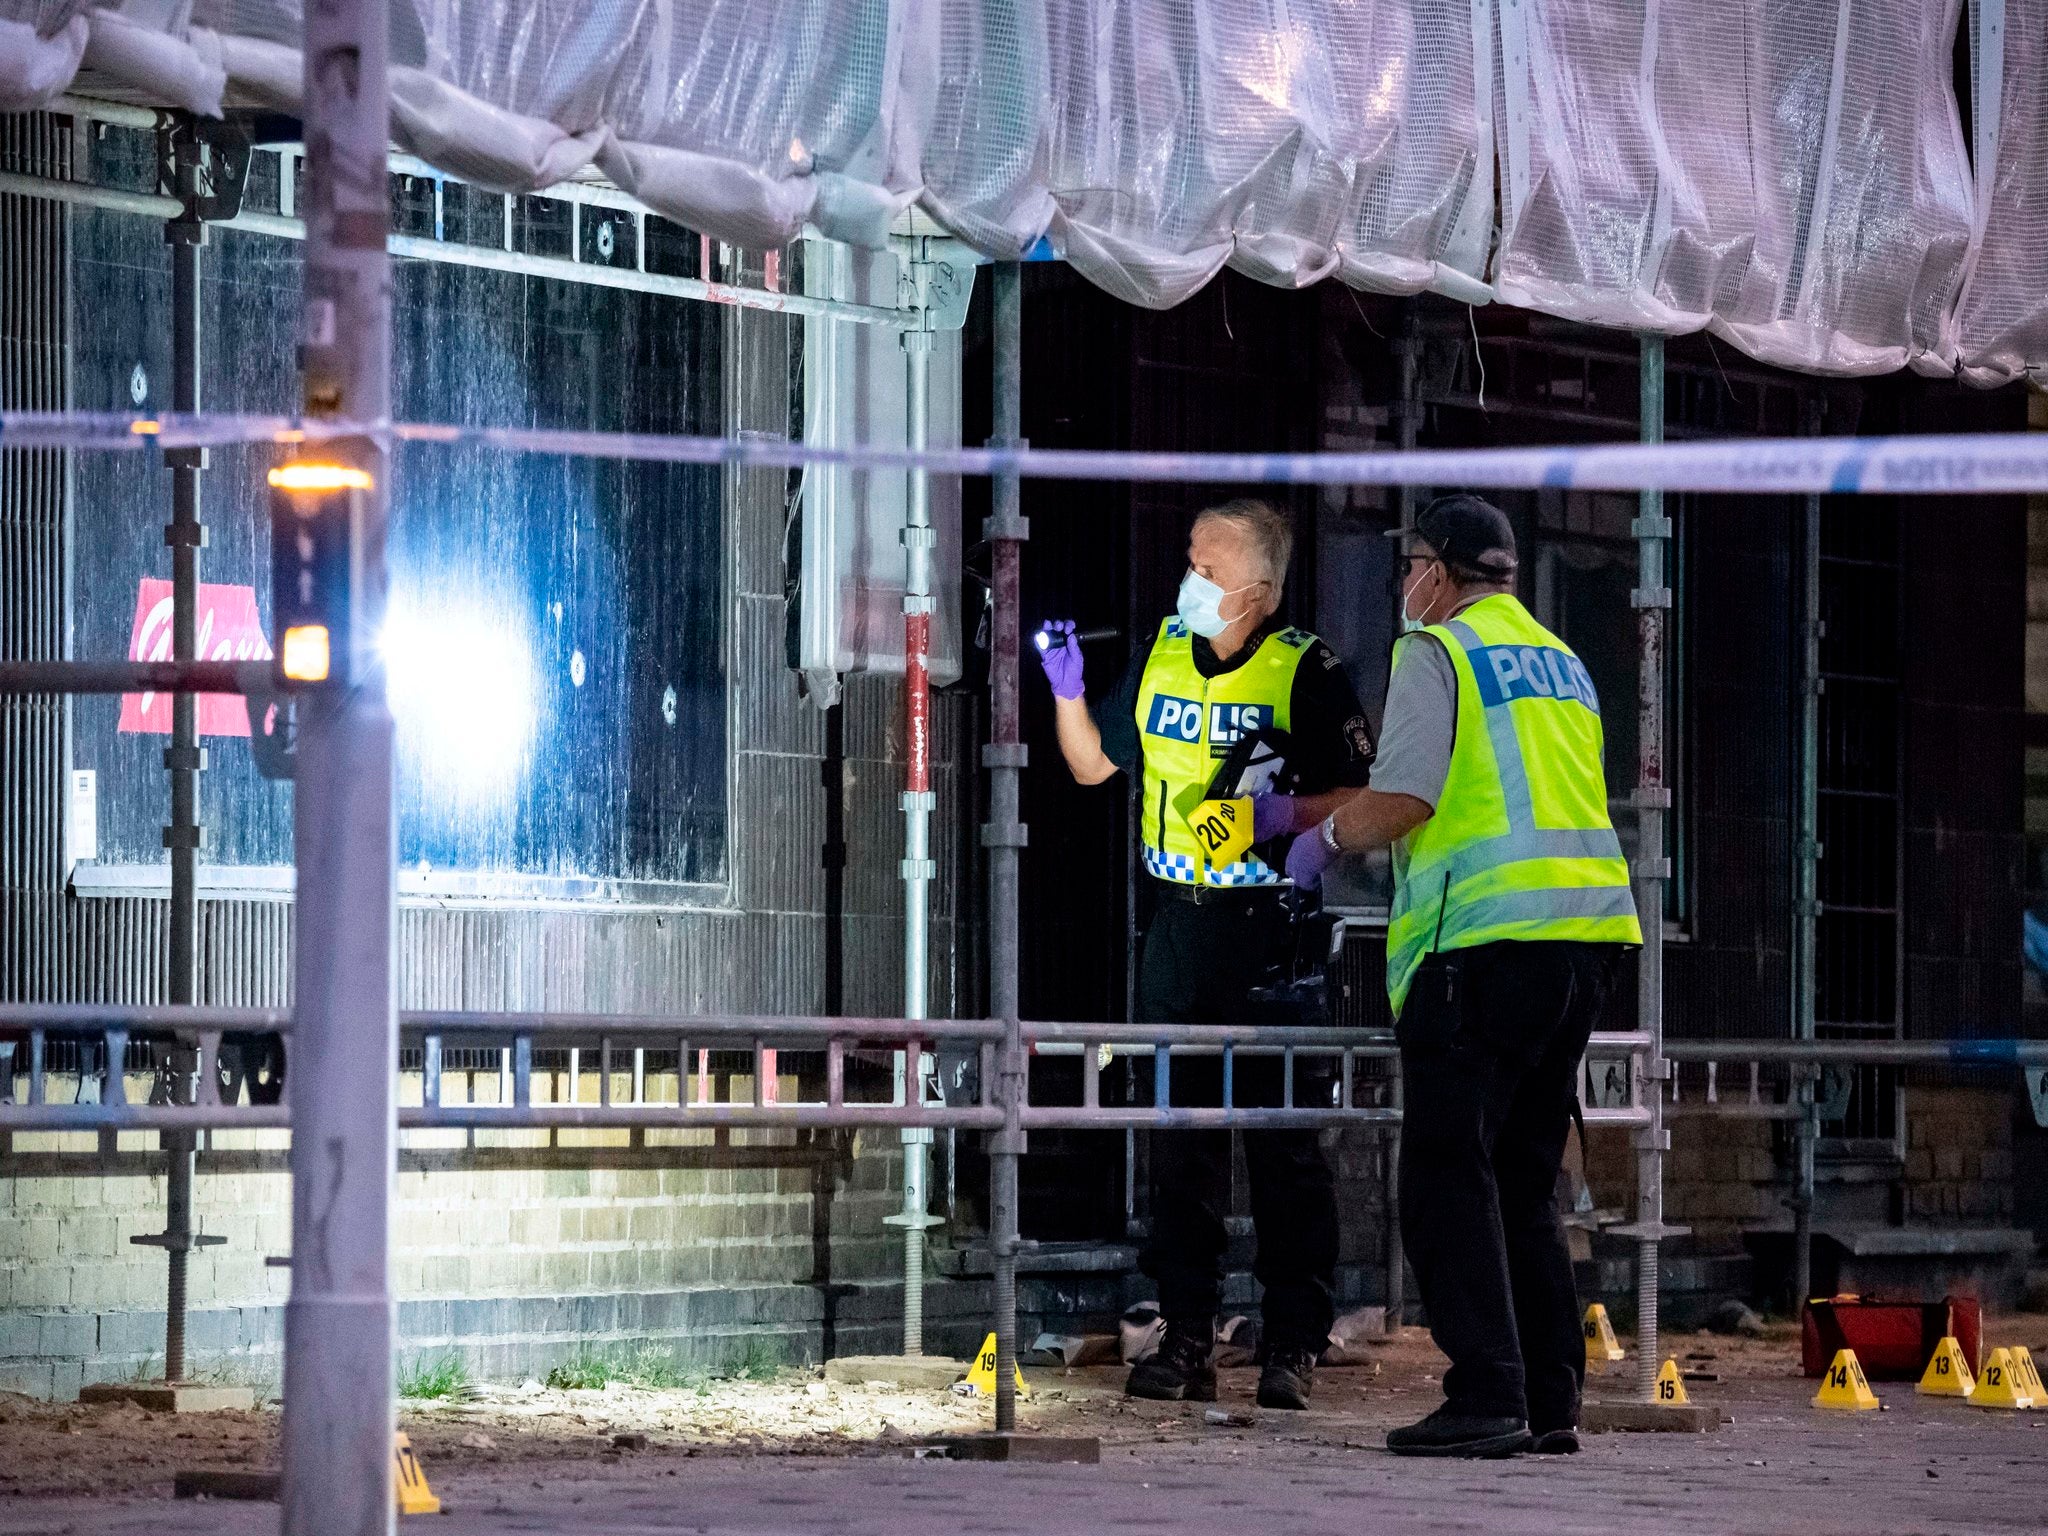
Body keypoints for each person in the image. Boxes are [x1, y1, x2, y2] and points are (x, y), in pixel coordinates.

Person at [1278, 493, 1641, 1458]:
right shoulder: (1560, 661)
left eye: (1410, 569)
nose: (1405, 586)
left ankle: (1487, 1391)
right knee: (1523, 1180)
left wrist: (1319, 841)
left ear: (1439, 573)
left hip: (1480, 950)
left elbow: (1404, 796)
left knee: (1446, 1175)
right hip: (1584, 942)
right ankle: (1550, 1396)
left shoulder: (1437, 653)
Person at [1036, 497, 1374, 1411]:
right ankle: (1185, 1337)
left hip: (1273, 932)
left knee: (1283, 1149)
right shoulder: (1158, 656)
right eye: (1190, 559)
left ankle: (1293, 1342)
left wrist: (1272, 819)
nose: (1191, 580)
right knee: (1180, 1142)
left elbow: (1359, 797)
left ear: (1259, 593)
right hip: (1178, 927)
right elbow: (1091, 766)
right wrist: (1067, 689)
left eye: (1211, 570)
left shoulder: (1309, 671)